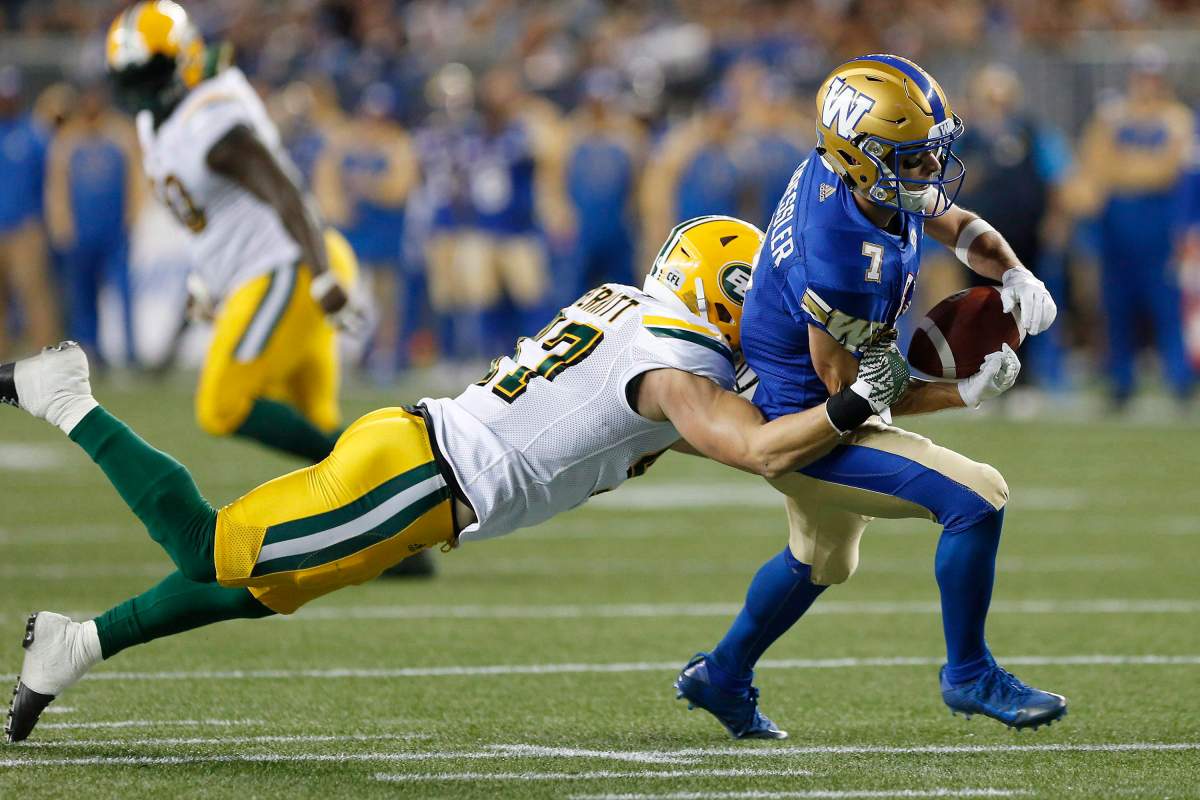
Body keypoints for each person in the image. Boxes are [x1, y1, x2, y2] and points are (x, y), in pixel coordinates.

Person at [3, 215, 911, 743]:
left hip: (415, 466)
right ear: (722, 289)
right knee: (212, 550)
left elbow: (748, 426)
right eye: (749, 301)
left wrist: (896, 394)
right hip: (420, 478)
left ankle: (77, 644)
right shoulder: (671, 367)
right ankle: (67, 394)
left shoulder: (638, 319)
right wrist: (855, 400)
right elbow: (753, 446)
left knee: (259, 590)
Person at [674, 55, 1067, 740]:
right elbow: (858, 398)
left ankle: (722, 674)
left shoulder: (854, 174)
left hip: (808, 390)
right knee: (978, 498)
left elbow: (946, 217)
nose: (929, 173)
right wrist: (962, 393)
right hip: (807, 425)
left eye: (931, 153)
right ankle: (969, 674)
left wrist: (1014, 271)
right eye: (913, 160)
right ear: (863, 158)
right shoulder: (842, 258)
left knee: (823, 559)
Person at [105, 1, 363, 462]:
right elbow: (213, 214)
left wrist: (323, 277)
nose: (143, 87)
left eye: (151, 71)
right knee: (318, 429)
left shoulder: (212, 120)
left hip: (290, 266)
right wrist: (208, 277)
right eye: (134, 75)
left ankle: (388, 480)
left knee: (221, 406)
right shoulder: (159, 122)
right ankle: (386, 505)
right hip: (269, 270)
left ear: (184, 56)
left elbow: (287, 192)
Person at [1078, 46, 1195, 409]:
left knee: (1166, 302)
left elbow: (1168, 170)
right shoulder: (1111, 116)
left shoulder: (1177, 119)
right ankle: (1120, 379)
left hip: (1156, 224)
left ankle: (1179, 379)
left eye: (1154, 78)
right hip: (1117, 224)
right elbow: (1095, 165)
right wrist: (1138, 168)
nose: (1148, 85)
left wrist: (1124, 167)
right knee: (1117, 303)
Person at [44, 82, 144, 363]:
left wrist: (133, 216)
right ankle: (90, 354)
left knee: (123, 293)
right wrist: (62, 223)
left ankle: (130, 353)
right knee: (83, 297)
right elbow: (57, 185)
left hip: (114, 230)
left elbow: (136, 177)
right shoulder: (68, 138)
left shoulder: (120, 132)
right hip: (81, 232)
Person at [0, 66, 58, 358]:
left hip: (25, 229)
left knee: (35, 297)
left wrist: (44, 221)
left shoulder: (33, 134)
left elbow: (52, 179)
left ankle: (45, 358)